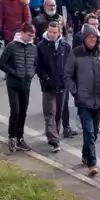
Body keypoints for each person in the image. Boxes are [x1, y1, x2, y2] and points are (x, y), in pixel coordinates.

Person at [66, 25, 100, 177]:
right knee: (88, 130)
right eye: (90, 37)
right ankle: (92, 164)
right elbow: (67, 76)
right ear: (84, 38)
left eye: (95, 38)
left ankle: (86, 154)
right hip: (83, 99)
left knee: (94, 131)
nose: (93, 40)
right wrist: (75, 91)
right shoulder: (76, 53)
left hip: (99, 98)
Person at [0, 23, 38, 154]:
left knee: (23, 112)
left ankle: (20, 137)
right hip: (13, 84)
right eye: (29, 35)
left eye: (33, 36)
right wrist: (14, 73)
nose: (31, 38)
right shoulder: (11, 46)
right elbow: (1, 64)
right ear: (23, 33)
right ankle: (12, 137)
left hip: (26, 84)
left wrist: (31, 73)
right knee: (15, 111)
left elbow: (35, 64)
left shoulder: (33, 48)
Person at [36, 19, 71, 151]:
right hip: (48, 85)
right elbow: (38, 66)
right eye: (50, 32)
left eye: (54, 32)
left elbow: (69, 65)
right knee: (49, 112)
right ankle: (54, 140)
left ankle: (54, 133)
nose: (51, 34)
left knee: (58, 113)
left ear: (59, 32)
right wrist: (45, 78)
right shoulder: (41, 46)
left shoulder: (66, 46)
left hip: (61, 85)